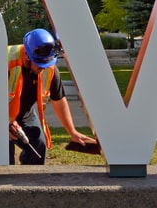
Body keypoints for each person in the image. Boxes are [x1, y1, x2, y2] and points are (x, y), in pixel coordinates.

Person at [7, 28, 95, 164]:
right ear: (27, 55)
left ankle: (30, 182)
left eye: (46, 64)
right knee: (3, 157)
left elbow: (59, 100)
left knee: (38, 147)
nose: (43, 68)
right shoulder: (4, 61)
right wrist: (1, 124)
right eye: (40, 64)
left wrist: (72, 132)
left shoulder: (50, 69)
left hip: (25, 115)